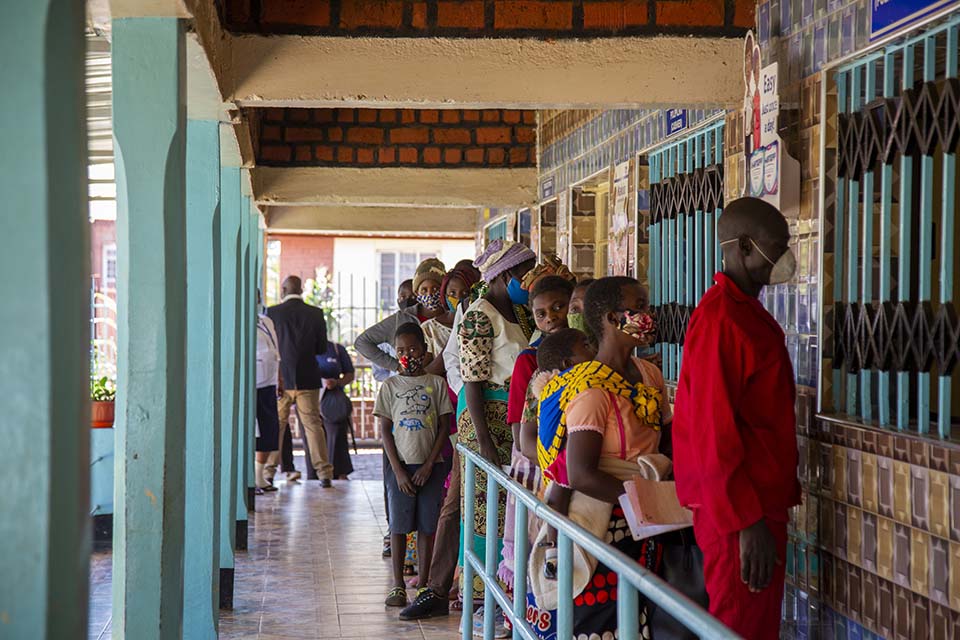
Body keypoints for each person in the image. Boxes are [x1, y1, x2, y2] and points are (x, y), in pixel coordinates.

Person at [672, 197, 800, 640]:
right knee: (738, 627)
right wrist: (746, 522)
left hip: (756, 506)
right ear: (744, 246)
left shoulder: (745, 312)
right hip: (738, 515)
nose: (784, 256)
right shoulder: (722, 320)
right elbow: (712, 433)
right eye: (776, 245)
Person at [557, 276, 668, 639]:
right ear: (609, 318)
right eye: (638, 308)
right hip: (606, 521)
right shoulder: (591, 387)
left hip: (650, 518)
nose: (647, 316)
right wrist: (642, 502)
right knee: (603, 620)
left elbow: (665, 443)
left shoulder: (649, 374)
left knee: (642, 619)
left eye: (646, 307)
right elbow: (581, 473)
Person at [457, 239, 536, 634]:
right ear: (505, 276)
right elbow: (472, 382)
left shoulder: (522, 312)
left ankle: (509, 599)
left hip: (515, 418)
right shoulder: (479, 315)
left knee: (512, 514)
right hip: (485, 419)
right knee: (487, 514)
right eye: (526, 272)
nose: (530, 279)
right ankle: (482, 602)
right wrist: (485, 441)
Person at [499, 273, 575, 591]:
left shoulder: (589, 354)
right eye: (541, 313)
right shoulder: (529, 361)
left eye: (560, 307)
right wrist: (557, 464)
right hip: (537, 466)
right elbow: (520, 434)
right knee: (535, 545)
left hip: (573, 465)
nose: (551, 317)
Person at [376, 323, 454, 608]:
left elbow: (445, 426)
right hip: (400, 467)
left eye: (413, 349)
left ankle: (422, 583)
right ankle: (397, 584)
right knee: (398, 525)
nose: (407, 354)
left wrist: (429, 464)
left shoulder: (436, 384)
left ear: (424, 351)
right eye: (401, 350)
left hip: (431, 467)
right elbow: (385, 430)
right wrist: (397, 470)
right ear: (395, 354)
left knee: (426, 525)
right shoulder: (391, 386)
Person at [265, 276, 334, 487]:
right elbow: (322, 348)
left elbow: (269, 347)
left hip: (280, 379)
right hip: (308, 378)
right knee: (313, 426)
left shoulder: (272, 312)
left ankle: (268, 472)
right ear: (301, 289)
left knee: (276, 426)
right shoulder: (315, 313)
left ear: (285, 289)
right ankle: (324, 473)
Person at [316, 341, 356, 480]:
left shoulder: (336, 349)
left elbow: (350, 374)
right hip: (311, 399)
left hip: (333, 401)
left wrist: (336, 383)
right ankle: (316, 475)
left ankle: (339, 472)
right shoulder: (304, 349)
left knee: (337, 436)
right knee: (314, 439)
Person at [255, 301, 282, 494]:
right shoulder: (243, 323)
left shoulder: (266, 321)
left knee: (268, 428)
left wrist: (279, 379)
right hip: (253, 382)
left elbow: (275, 352)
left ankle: (259, 475)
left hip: (269, 382)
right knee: (254, 431)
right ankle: (252, 477)